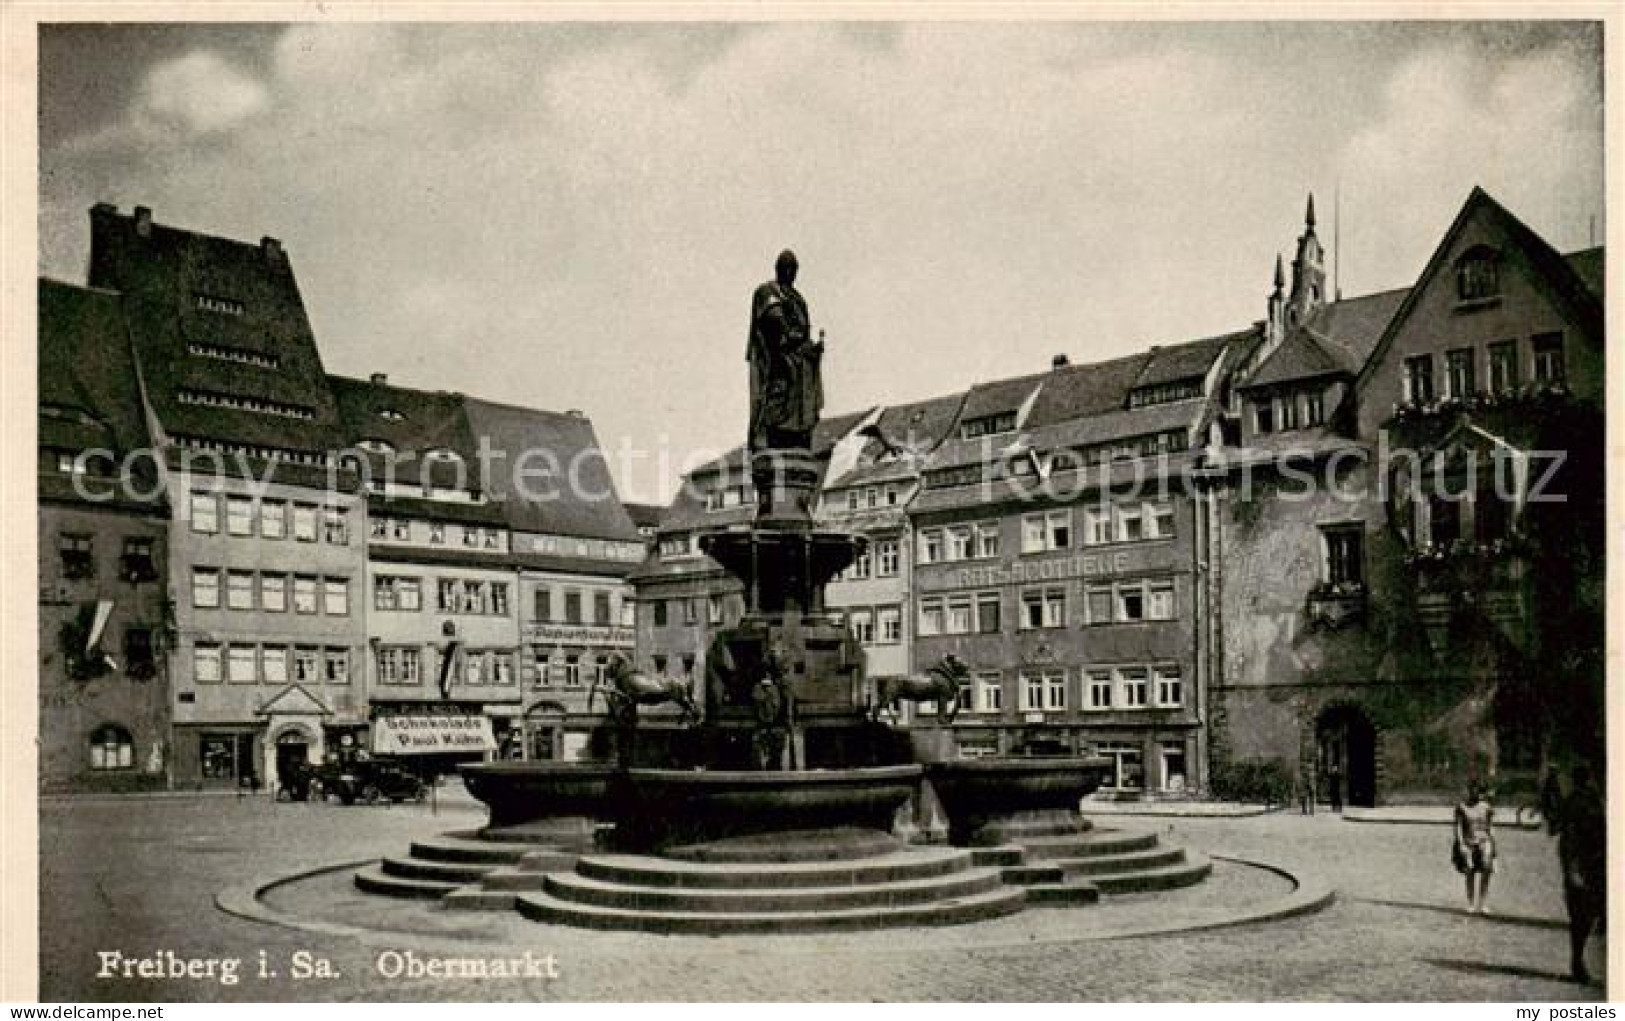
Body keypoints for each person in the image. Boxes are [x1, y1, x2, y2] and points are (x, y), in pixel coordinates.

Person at [747, 250, 824, 451]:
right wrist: (788, 333)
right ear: (778, 269)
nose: (790, 273)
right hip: (779, 356)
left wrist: (813, 348)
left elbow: (804, 329)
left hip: (801, 359)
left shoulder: (798, 298)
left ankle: (798, 436)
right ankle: (775, 434)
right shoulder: (767, 290)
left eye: (793, 269)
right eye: (786, 268)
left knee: (804, 396)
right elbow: (773, 318)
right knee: (780, 393)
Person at [1542, 762, 1606, 983]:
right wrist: (1572, 870)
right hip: (1584, 865)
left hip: (1592, 865)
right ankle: (1578, 963)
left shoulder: (1590, 799)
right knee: (1582, 917)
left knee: (1585, 917)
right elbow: (1563, 832)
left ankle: (1579, 961)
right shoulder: (1582, 802)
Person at [1453, 779, 1496, 914]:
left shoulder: (1487, 807)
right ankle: (1471, 903)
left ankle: (1483, 903)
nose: (1475, 793)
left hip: (1484, 841)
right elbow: (1458, 827)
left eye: (1477, 790)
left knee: (1486, 870)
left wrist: (1493, 844)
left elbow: (1491, 826)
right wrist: (1461, 844)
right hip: (1468, 842)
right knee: (1470, 872)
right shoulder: (1462, 807)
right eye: (1472, 790)